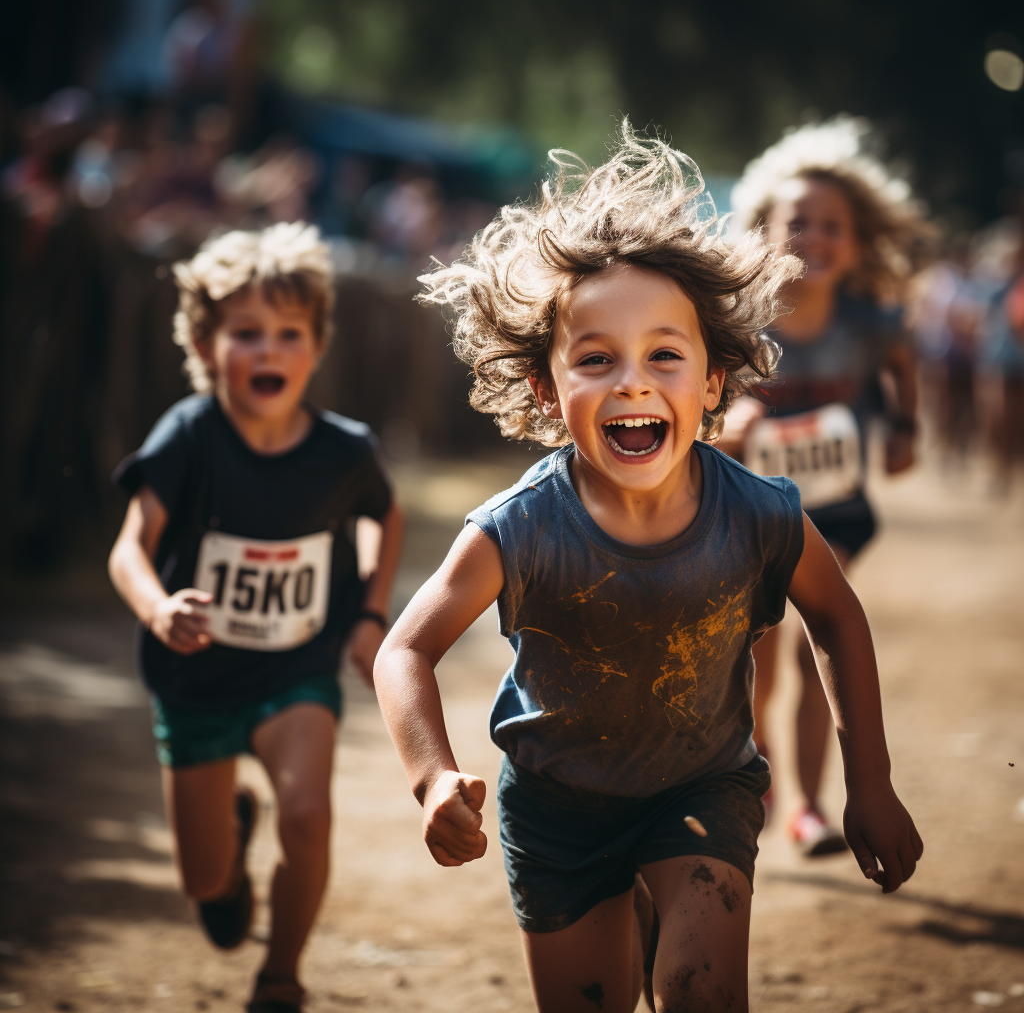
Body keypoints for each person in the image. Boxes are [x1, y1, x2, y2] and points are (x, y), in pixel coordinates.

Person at [372, 126, 922, 1013]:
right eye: (595, 359)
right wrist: (433, 776)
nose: (632, 382)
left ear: (713, 382)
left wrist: (870, 785)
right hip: (556, 814)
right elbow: (404, 650)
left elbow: (838, 619)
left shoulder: (760, 513)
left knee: (701, 994)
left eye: (665, 353)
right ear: (548, 390)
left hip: (703, 789)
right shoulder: (519, 528)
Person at [108, 222, 404, 1013]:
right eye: (245, 334)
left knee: (308, 813)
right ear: (205, 347)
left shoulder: (345, 452)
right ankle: (229, 844)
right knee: (205, 885)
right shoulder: (188, 435)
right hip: (194, 679)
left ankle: (281, 977)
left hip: (294, 669)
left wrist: (371, 610)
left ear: (316, 345)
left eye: (288, 334)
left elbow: (384, 515)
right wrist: (159, 605)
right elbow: (130, 547)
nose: (268, 351)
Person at [720, 117, 930, 856]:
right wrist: (726, 427)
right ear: (763, 230)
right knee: (758, 654)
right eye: (798, 220)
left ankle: (808, 805)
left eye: (833, 225)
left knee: (818, 646)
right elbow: (695, 400)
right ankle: (759, 777)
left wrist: (905, 428)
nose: (815, 235)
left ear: (859, 242)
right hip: (747, 517)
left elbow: (903, 359)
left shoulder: (873, 323)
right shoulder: (737, 320)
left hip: (834, 511)